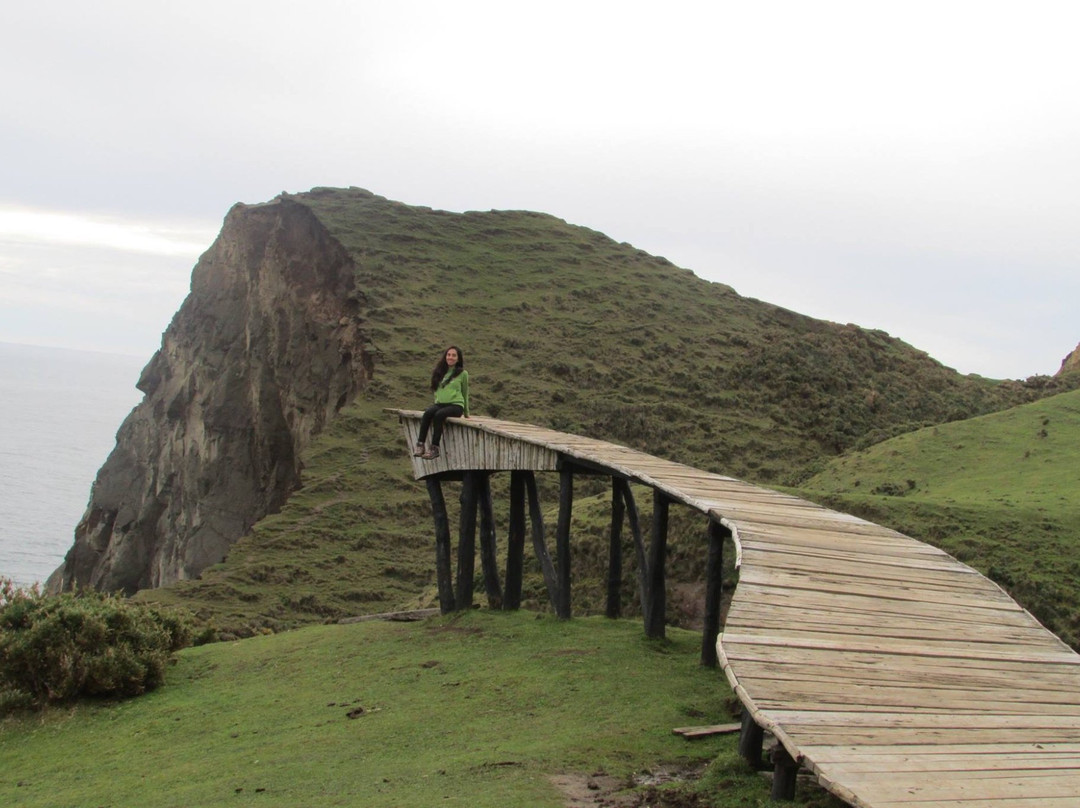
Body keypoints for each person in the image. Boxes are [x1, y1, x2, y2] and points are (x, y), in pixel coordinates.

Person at [414, 346, 469, 460]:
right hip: (440, 404)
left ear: (458, 359)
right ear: (445, 357)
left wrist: (466, 412)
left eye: (454, 355)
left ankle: (434, 448)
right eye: (449, 355)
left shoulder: (463, 374)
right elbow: (436, 389)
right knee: (428, 413)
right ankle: (420, 445)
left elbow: (465, 392)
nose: (451, 357)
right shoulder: (439, 372)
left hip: (456, 405)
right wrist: (437, 402)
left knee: (439, 415)